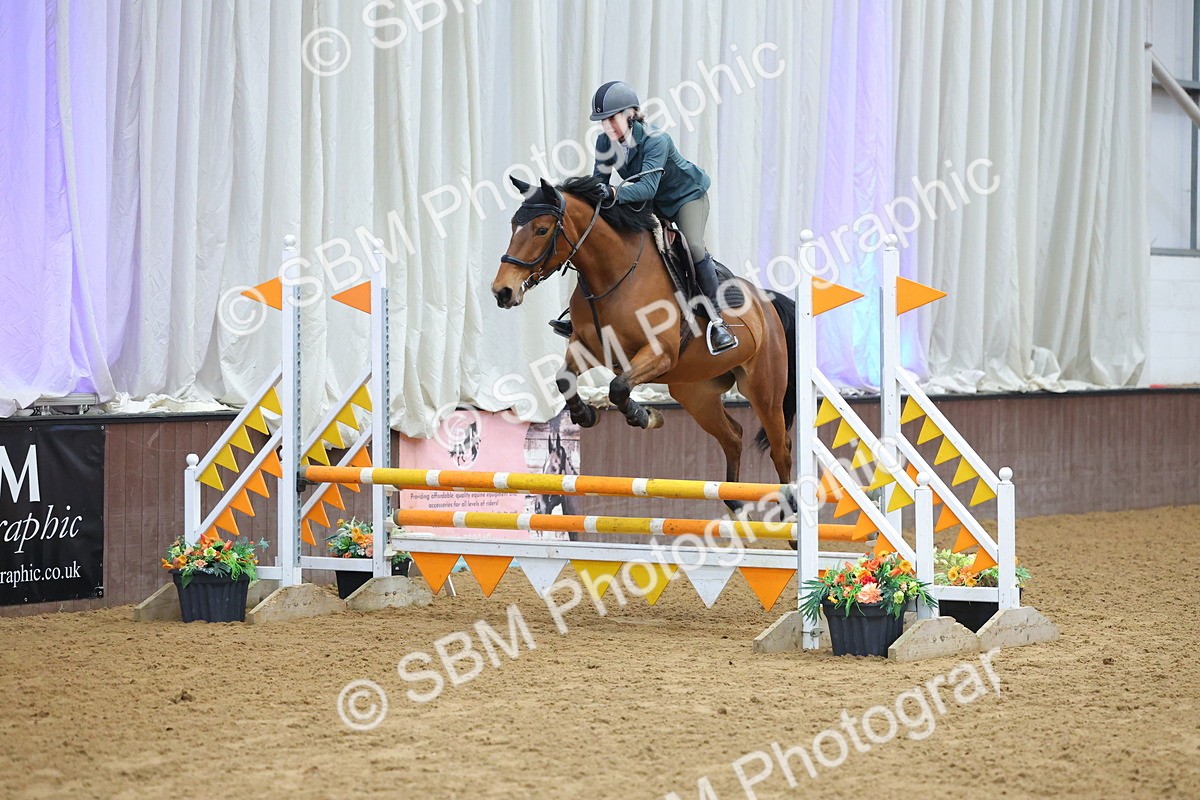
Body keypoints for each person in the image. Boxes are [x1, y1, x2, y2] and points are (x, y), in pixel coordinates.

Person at [548, 80, 737, 353]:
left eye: (612, 118)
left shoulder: (656, 139)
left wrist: (613, 193)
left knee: (694, 246)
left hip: (685, 197)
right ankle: (582, 315)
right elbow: (599, 182)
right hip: (651, 202)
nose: (607, 126)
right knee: (607, 238)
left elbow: (647, 187)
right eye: (603, 121)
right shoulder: (605, 142)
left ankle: (718, 321)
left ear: (631, 113)